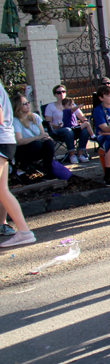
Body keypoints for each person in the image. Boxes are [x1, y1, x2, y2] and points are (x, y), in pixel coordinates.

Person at [0, 86, 35, 248]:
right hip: (5, 141)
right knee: (2, 190)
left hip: (2, 141)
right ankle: (23, 232)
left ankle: (24, 232)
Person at [44, 84, 91, 164]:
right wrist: (58, 126)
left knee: (84, 130)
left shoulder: (72, 105)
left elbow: (81, 116)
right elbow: (48, 123)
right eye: (59, 92)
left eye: (63, 91)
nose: (61, 94)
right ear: (55, 94)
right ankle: (72, 155)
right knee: (67, 130)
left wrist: (85, 121)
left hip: (73, 128)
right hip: (58, 130)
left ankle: (80, 154)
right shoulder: (50, 106)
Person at [12, 94, 55, 179]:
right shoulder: (15, 120)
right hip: (24, 149)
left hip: (38, 148)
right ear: (18, 106)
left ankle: (47, 172)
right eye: (24, 103)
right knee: (36, 144)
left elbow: (42, 134)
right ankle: (21, 169)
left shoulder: (35, 116)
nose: (28, 104)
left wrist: (47, 137)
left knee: (49, 143)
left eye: (28, 102)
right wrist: (37, 138)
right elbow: (19, 141)